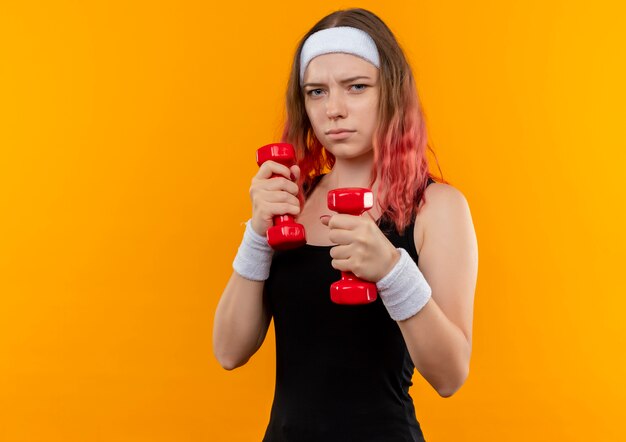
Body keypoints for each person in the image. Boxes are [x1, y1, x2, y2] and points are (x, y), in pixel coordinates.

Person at [213, 8, 478, 442]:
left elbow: (450, 376)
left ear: (391, 93)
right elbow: (228, 351)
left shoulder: (436, 208)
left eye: (356, 87)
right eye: (316, 92)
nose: (333, 109)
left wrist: (393, 270)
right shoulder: (291, 203)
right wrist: (257, 233)